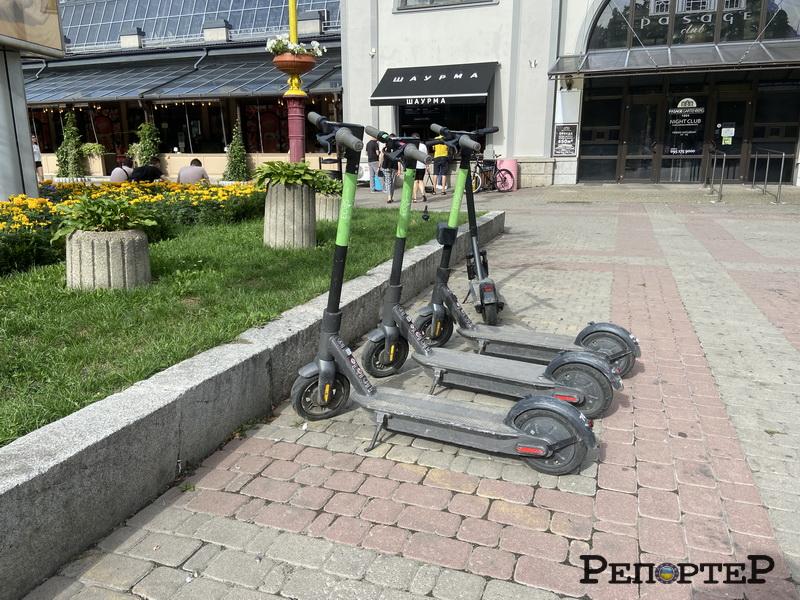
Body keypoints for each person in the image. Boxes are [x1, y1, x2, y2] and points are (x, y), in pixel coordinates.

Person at [380, 134, 399, 204]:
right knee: (393, 182)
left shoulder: (385, 148)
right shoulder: (397, 148)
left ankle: (389, 197)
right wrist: (399, 169)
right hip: (394, 167)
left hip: (386, 166)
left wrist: (379, 166)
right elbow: (398, 159)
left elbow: (381, 157)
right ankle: (391, 197)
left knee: (388, 182)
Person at [412, 133, 428, 202]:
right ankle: (423, 194)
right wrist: (427, 166)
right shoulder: (423, 146)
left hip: (415, 166)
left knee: (415, 181)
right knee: (421, 180)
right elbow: (426, 156)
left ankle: (415, 198)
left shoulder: (413, 146)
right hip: (422, 166)